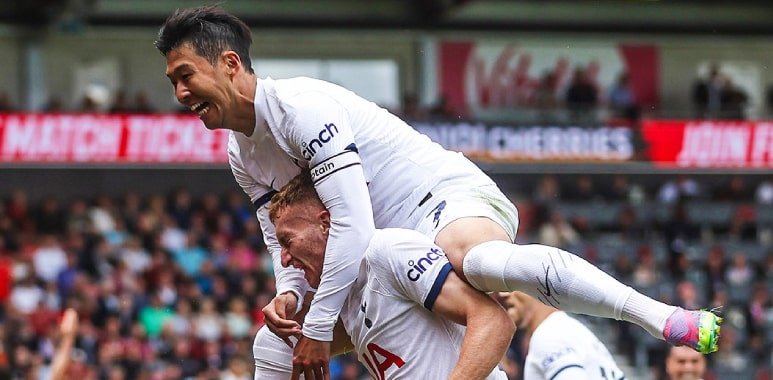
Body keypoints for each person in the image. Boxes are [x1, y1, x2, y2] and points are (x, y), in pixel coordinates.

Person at [155, 6, 721, 378]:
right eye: (173, 81)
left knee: (470, 260)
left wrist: (321, 327)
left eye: (186, 75)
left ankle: (660, 316)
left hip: (439, 202)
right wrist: (291, 300)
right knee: (270, 346)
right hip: (380, 255)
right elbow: (282, 246)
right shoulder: (239, 151)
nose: (179, 91)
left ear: (230, 65)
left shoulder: (301, 108)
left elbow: (349, 224)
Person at [255, 172, 513, 379]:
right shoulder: (343, 292)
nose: (284, 259)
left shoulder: (387, 249)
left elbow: (493, 321)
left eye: (287, 241)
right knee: (269, 341)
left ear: (325, 223)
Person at [500, 291, 624, 380]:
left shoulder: (548, 336)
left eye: (512, 285)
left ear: (539, 287)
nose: (503, 294)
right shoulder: (568, 328)